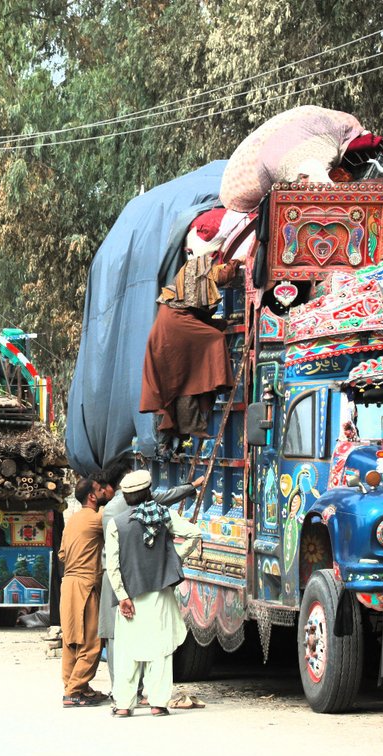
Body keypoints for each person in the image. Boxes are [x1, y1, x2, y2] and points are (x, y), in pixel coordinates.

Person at [105, 469, 202, 717]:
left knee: (127, 651)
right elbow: (194, 533)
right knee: (159, 650)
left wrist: (123, 596)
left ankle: (124, 706)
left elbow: (113, 566)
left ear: (126, 497)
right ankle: (158, 703)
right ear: (148, 492)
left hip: (130, 598)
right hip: (159, 595)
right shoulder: (163, 515)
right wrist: (174, 560)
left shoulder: (116, 524)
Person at [140, 208, 241, 441]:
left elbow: (200, 313)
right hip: (176, 324)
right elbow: (222, 275)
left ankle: (192, 424)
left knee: (185, 379)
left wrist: (222, 322)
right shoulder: (198, 268)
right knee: (214, 340)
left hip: (170, 327)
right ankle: (221, 383)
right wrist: (237, 262)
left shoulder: (191, 274)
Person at [58, 477, 108, 708]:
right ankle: (74, 691)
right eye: (100, 489)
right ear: (91, 495)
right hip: (84, 585)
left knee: (71, 640)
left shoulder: (73, 520)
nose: (104, 491)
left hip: (68, 583)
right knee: (91, 642)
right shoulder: (95, 519)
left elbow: (62, 555)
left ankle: (76, 686)